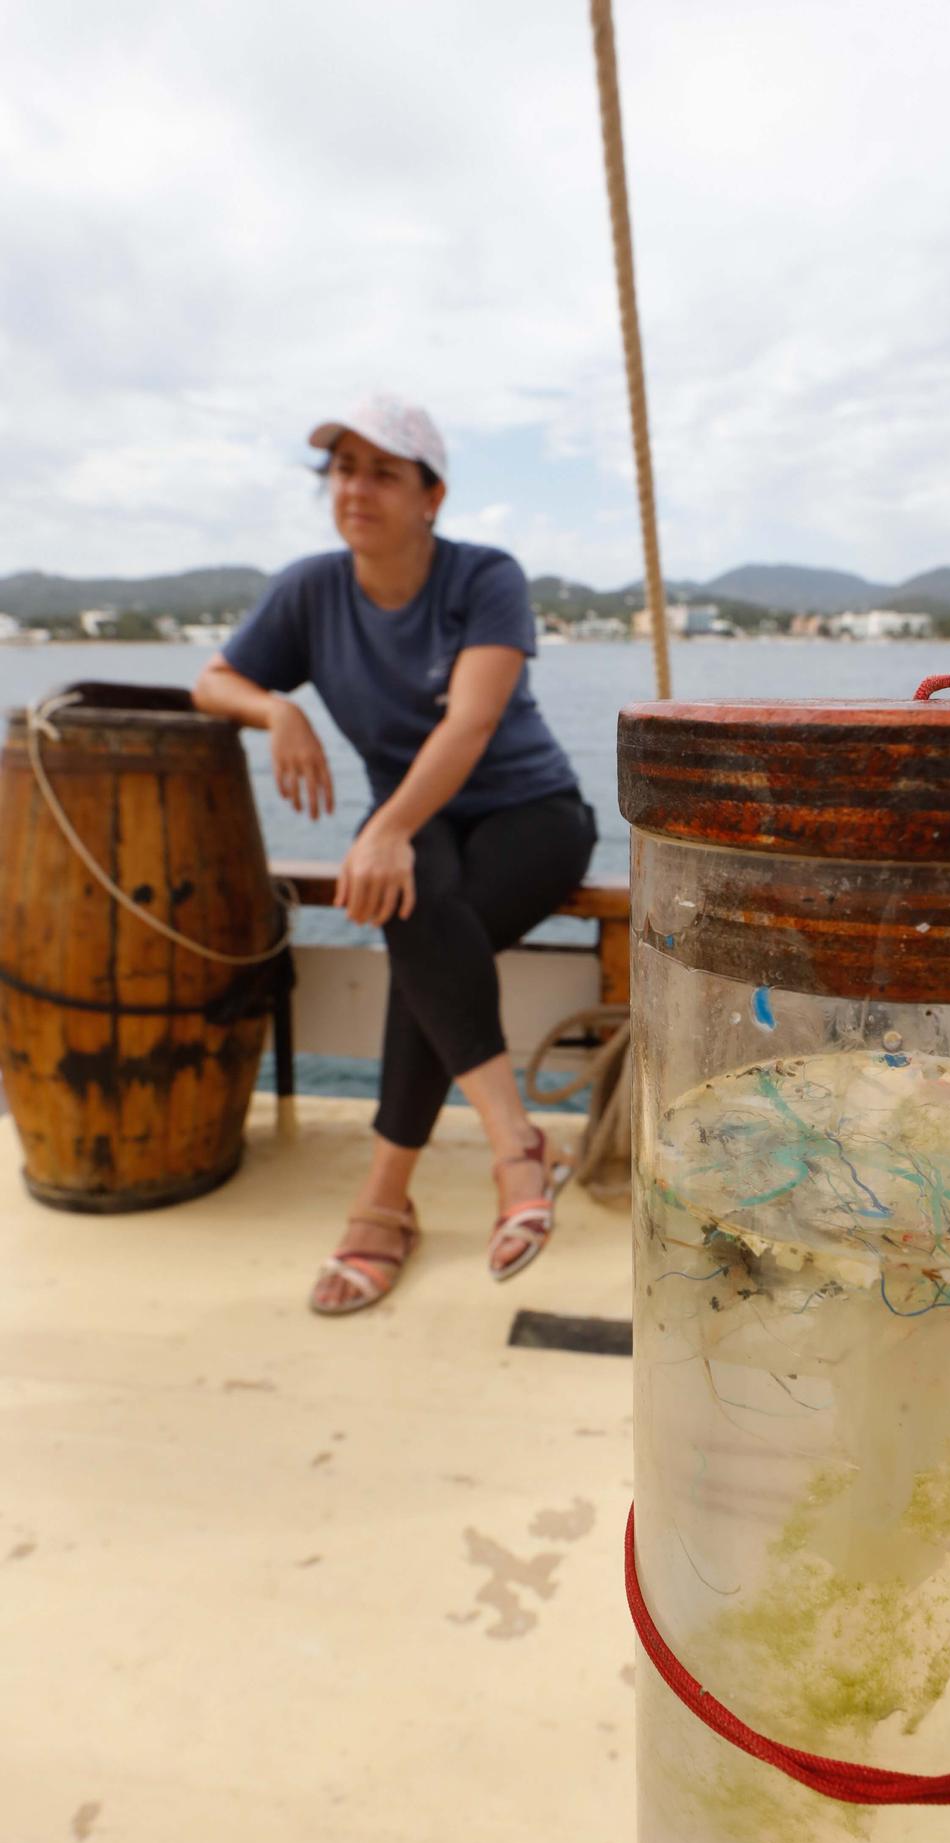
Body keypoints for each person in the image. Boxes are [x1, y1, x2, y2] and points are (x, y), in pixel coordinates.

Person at [193, 394, 596, 1313]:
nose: (356, 488)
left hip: (530, 813)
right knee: (419, 917)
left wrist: (380, 829)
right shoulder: (310, 590)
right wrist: (278, 709)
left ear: (432, 495)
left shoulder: (483, 575)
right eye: (343, 469)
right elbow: (214, 680)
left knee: (412, 921)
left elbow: (472, 720)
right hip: (419, 830)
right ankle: (517, 1152)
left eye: (384, 471)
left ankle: (386, 1200)